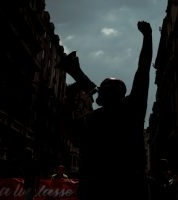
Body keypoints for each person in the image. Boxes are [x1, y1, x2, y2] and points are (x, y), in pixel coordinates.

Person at [65, 20, 153, 200]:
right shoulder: (132, 108)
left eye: (103, 86)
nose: (99, 88)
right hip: (130, 186)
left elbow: (69, 128)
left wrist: (68, 100)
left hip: (97, 186)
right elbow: (143, 70)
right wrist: (148, 37)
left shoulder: (93, 118)